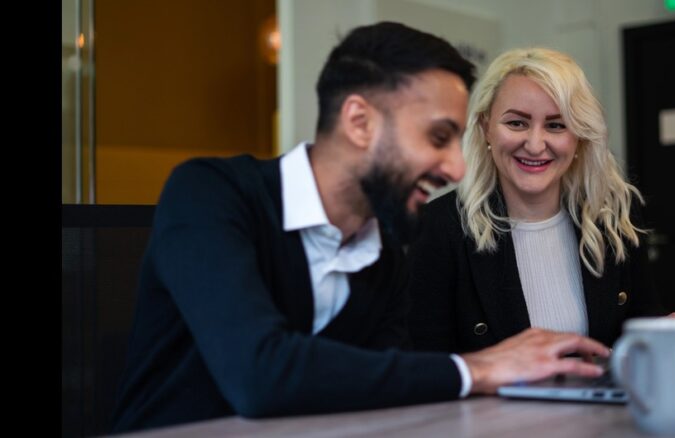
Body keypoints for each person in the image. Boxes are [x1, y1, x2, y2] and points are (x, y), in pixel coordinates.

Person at [111, 27, 609, 433]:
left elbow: (385, 391)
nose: (456, 168)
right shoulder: (210, 194)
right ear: (359, 121)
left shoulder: (387, 250)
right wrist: (478, 368)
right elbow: (260, 375)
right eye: (437, 137)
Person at [406, 47, 675, 354]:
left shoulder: (612, 216)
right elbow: (426, 365)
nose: (535, 145)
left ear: (578, 138)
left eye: (556, 125)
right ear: (485, 128)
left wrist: (664, 335)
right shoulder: (437, 229)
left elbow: (642, 325)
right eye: (516, 123)